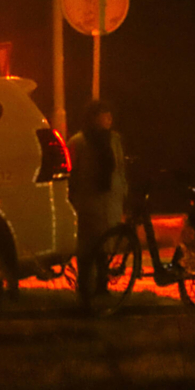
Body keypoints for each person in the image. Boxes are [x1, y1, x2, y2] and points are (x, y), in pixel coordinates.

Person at [67, 100, 127, 306]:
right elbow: (71, 172)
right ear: (93, 117)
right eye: (104, 114)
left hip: (110, 199)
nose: (109, 117)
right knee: (87, 246)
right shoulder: (78, 141)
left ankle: (102, 286)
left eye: (109, 113)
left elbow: (119, 168)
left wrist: (123, 190)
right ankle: (84, 288)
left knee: (105, 244)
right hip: (88, 200)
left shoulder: (114, 140)